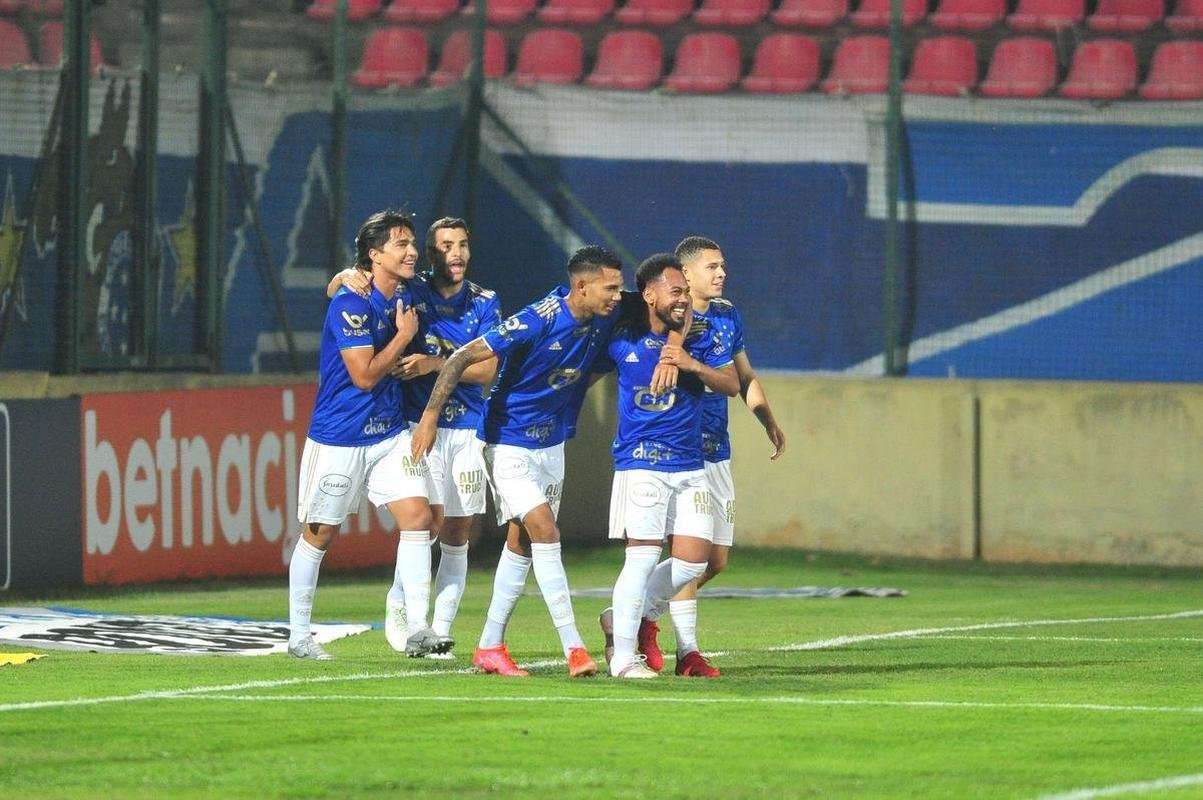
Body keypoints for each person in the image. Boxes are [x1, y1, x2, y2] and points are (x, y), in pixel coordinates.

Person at [411, 245, 678, 677]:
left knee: (521, 543)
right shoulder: (539, 318)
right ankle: (574, 647)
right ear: (582, 286)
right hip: (508, 441)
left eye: (619, 287)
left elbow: (665, 308)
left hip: (551, 446)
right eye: (610, 287)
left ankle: (489, 646)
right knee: (545, 530)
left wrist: (676, 341)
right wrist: (429, 418)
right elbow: (461, 357)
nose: (617, 295)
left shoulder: (611, 309)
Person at [327, 217, 500, 659]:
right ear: (429, 252)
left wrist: (433, 364)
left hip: (466, 431)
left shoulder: (484, 302)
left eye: (463, 244)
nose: (456, 253)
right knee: (426, 522)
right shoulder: (411, 291)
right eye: (445, 246)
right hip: (415, 426)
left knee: (458, 533)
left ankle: (439, 632)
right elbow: (343, 290)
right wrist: (344, 276)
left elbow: (488, 370)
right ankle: (404, 611)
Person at [288, 210, 446, 660]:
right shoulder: (350, 303)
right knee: (319, 534)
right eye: (400, 243)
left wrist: (341, 274)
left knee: (419, 519)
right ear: (375, 256)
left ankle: (417, 625)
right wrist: (402, 337)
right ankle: (299, 637)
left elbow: (444, 284)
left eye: (412, 242)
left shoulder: (409, 290)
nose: (412, 250)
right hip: (339, 437)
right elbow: (363, 376)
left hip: (389, 435)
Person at [636, 236, 787, 677]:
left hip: (716, 449)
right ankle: (688, 652)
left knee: (716, 559)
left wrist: (767, 420)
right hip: (678, 453)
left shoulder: (725, 315)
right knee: (689, 555)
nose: (721, 274)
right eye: (712, 267)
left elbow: (744, 376)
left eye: (723, 266)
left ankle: (638, 612)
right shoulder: (665, 319)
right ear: (685, 275)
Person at [597, 253, 739, 678]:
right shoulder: (623, 339)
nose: (683, 300)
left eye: (684, 292)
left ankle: (622, 615)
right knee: (640, 559)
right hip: (641, 464)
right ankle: (623, 657)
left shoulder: (699, 338)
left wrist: (689, 362)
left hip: (690, 465)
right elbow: (609, 301)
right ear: (649, 294)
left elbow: (731, 383)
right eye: (675, 292)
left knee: (694, 563)